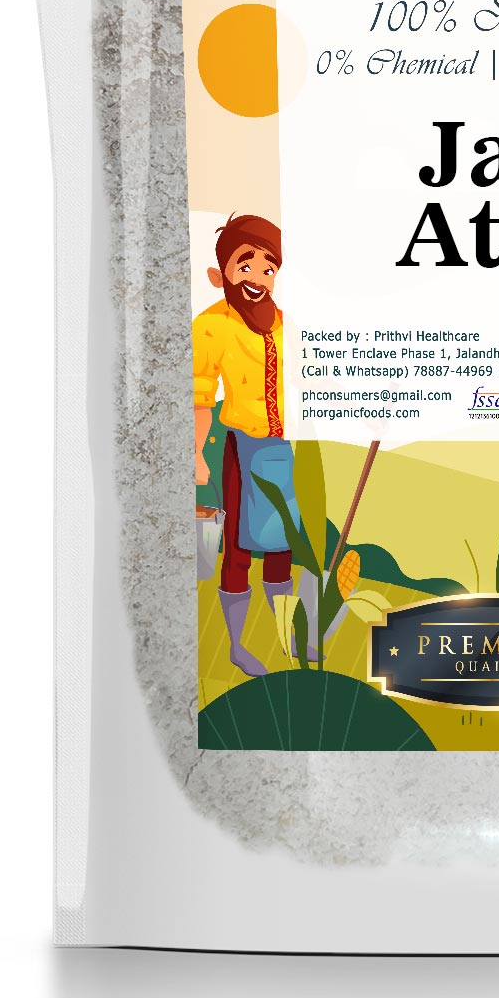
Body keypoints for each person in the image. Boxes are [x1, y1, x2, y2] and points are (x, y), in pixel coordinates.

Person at [192, 213, 304, 677]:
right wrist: (196, 455)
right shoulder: (211, 325)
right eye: (246, 264)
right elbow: (199, 396)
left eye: (267, 267)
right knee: (238, 550)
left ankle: (286, 636)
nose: (257, 277)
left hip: (279, 450)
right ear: (220, 273)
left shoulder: (283, 323)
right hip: (240, 448)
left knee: (282, 545)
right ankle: (237, 645)